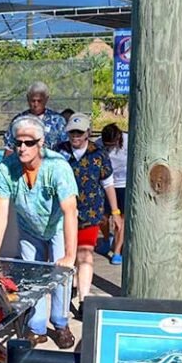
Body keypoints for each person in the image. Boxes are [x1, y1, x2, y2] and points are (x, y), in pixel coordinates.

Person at [0, 115, 78, 349]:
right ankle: (36, 327)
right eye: (18, 142)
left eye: (29, 142)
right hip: (29, 227)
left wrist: (69, 254)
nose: (22, 147)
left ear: (41, 142)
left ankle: (60, 323)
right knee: (31, 277)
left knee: (60, 275)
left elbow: (70, 211)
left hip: (56, 225)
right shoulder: (7, 168)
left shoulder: (57, 167)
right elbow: (1, 209)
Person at [56, 113, 122, 307]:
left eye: (79, 132)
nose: (75, 136)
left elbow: (108, 184)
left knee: (85, 254)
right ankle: (68, 289)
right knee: (68, 253)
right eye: (72, 132)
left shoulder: (98, 154)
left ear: (88, 132)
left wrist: (116, 213)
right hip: (63, 213)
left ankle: (84, 299)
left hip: (90, 212)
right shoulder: (59, 152)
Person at [3, 81, 67, 157]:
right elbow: (9, 148)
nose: (36, 104)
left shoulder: (58, 121)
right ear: (27, 99)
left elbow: (66, 148)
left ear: (46, 99)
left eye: (39, 101)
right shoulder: (18, 121)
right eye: (33, 101)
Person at [96, 123, 128, 265]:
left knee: (120, 220)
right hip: (105, 184)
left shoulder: (128, 140)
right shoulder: (97, 143)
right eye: (106, 145)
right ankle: (106, 238)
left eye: (112, 145)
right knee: (103, 217)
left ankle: (117, 251)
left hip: (124, 183)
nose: (109, 148)